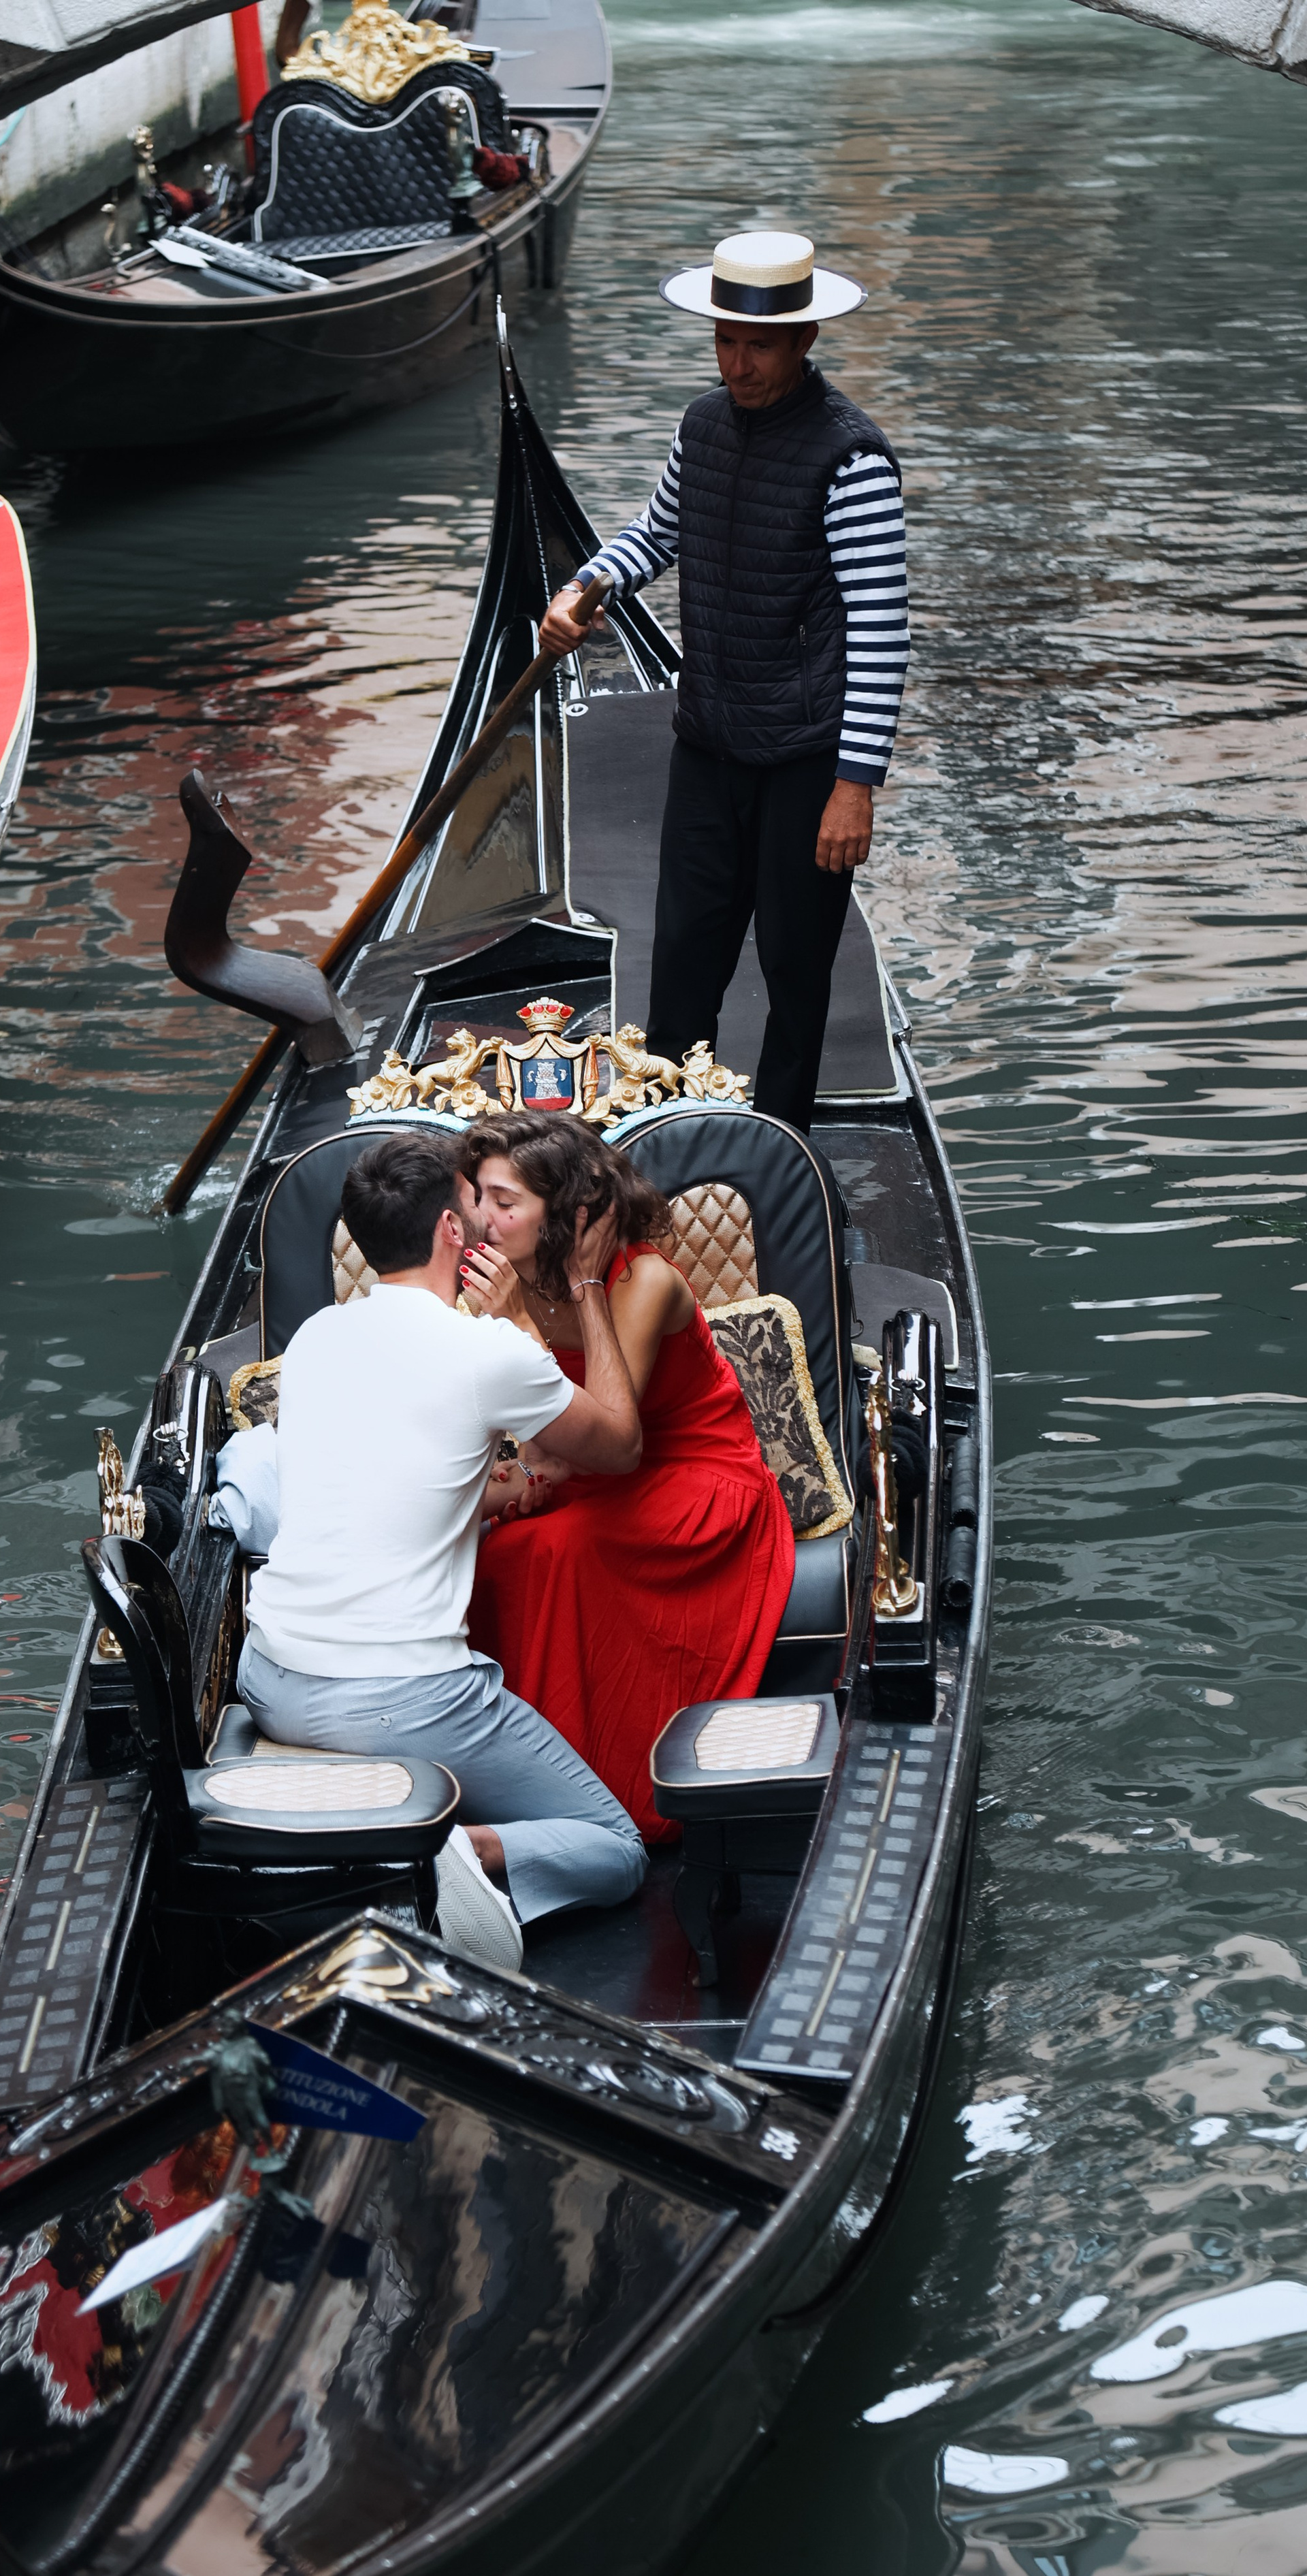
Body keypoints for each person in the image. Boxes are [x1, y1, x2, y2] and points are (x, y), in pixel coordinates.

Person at [238, 1130, 649, 1969]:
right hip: (399, 1699)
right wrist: (581, 1283)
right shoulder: (483, 1351)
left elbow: (400, 1471)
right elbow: (617, 1445)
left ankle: (368, 1838)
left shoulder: (313, 1339)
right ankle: (445, 1853)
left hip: (271, 1676)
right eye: (474, 1207)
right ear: (451, 1234)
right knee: (614, 1846)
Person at [540, 228, 909, 1131]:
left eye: (758, 347)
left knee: (795, 975)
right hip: (706, 744)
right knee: (683, 969)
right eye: (724, 342)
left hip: (804, 760)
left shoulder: (851, 460)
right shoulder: (703, 426)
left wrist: (855, 786)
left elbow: (882, 629)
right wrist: (587, 584)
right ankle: (662, 1147)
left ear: (804, 341)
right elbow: (659, 532)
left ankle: (783, 1153)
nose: (737, 364)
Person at [459, 1115, 794, 1842]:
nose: (482, 1221)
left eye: (504, 1202)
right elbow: (525, 1437)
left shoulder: (644, 1281)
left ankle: (600, 1798)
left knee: (553, 1552)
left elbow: (616, 1442)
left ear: (572, 1213)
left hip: (696, 1481)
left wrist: (540, 1310)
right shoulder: (501, 1276)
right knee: (481, 1557)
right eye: (477, 1199)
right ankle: (507, 1787)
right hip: (589, 1474)